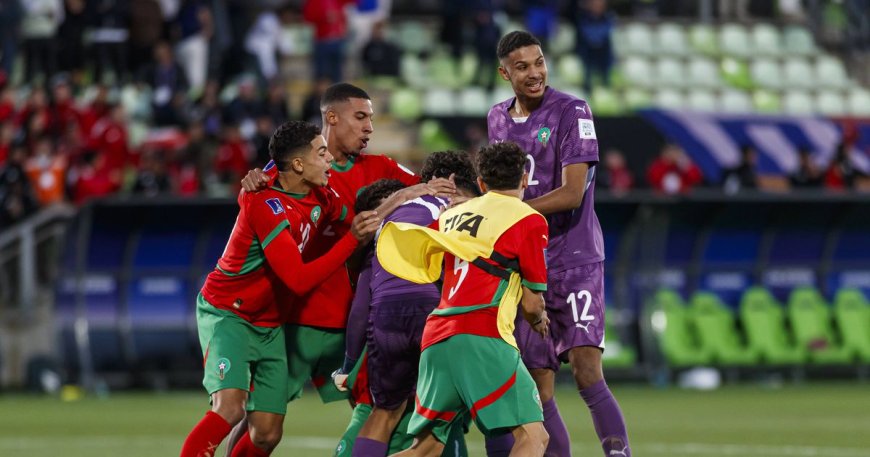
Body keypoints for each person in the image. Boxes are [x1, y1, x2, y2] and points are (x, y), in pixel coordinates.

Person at [234, 83, 453, 453]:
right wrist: (249, 186)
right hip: (297, 318)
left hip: (358, 319)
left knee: (378, 409)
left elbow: (433, 194)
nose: (369, 127)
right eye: (360, 117)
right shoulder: (293, 168)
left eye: (370, 117)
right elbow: (255, 205)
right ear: (331, 118)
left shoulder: (382, 169)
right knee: (263, 428)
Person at [180, 120, 382, 457]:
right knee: (230, 406)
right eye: (322, 153)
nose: (330, 159)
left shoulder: (323, 196)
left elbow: (358, 217)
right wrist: (352, 240)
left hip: (270, 324)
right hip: (230, 313)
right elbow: (298, 280)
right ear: (299, 164)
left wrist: (406, 198)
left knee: (267, 434)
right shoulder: (263, 202)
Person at [486, 31, 631, 456]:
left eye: (539, 62)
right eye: (522, 66)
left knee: (587, 371)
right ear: (504, 73)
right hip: (528, 265)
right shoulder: (496, 118)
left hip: (575, 257)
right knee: (539, 386)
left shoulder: (572, 110)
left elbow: (572, 193)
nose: (534, 74)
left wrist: (515, 211)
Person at [376, 141, 551, 457]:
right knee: (533, 437)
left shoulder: (453, 215)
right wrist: (539, 319)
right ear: (525, 178)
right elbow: (531, 302)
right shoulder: (529, 219)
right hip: (483, 334)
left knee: (425, 449)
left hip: (437, 337)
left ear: (482, 183)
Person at [351, 151, 480, 457]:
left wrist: (348, 361)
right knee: (469, 408)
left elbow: (362, 296)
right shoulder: (460, 209)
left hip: (385, 312)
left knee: (384, 412)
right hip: (431, 309)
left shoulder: (391, 211)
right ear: (453, 183)